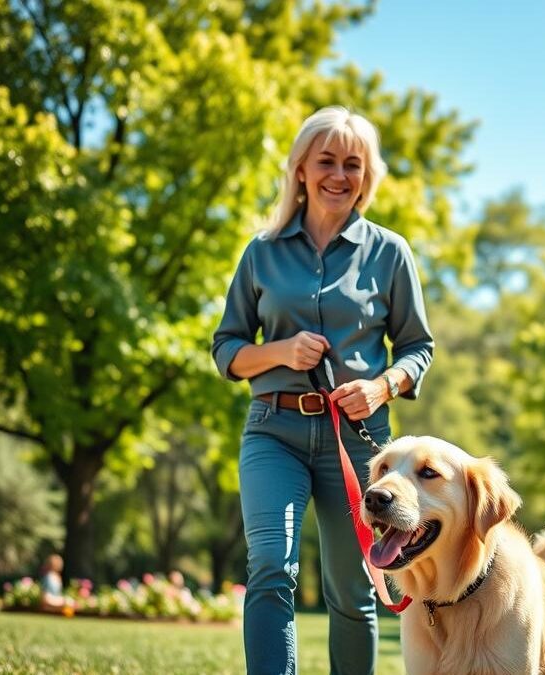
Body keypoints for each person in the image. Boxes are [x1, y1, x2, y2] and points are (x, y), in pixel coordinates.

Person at [212, 106, 434, 675]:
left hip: (360, 442)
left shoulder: (389, 252)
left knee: (354, 588)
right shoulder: (261, 252)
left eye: (352, 164)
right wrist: (281, 352)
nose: (339, 174)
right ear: (302, 171)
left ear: (367, 175)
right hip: (273, 430)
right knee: (270, 568)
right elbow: (227, 349)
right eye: (326, 161)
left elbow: (419, 348)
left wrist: (383, 387)